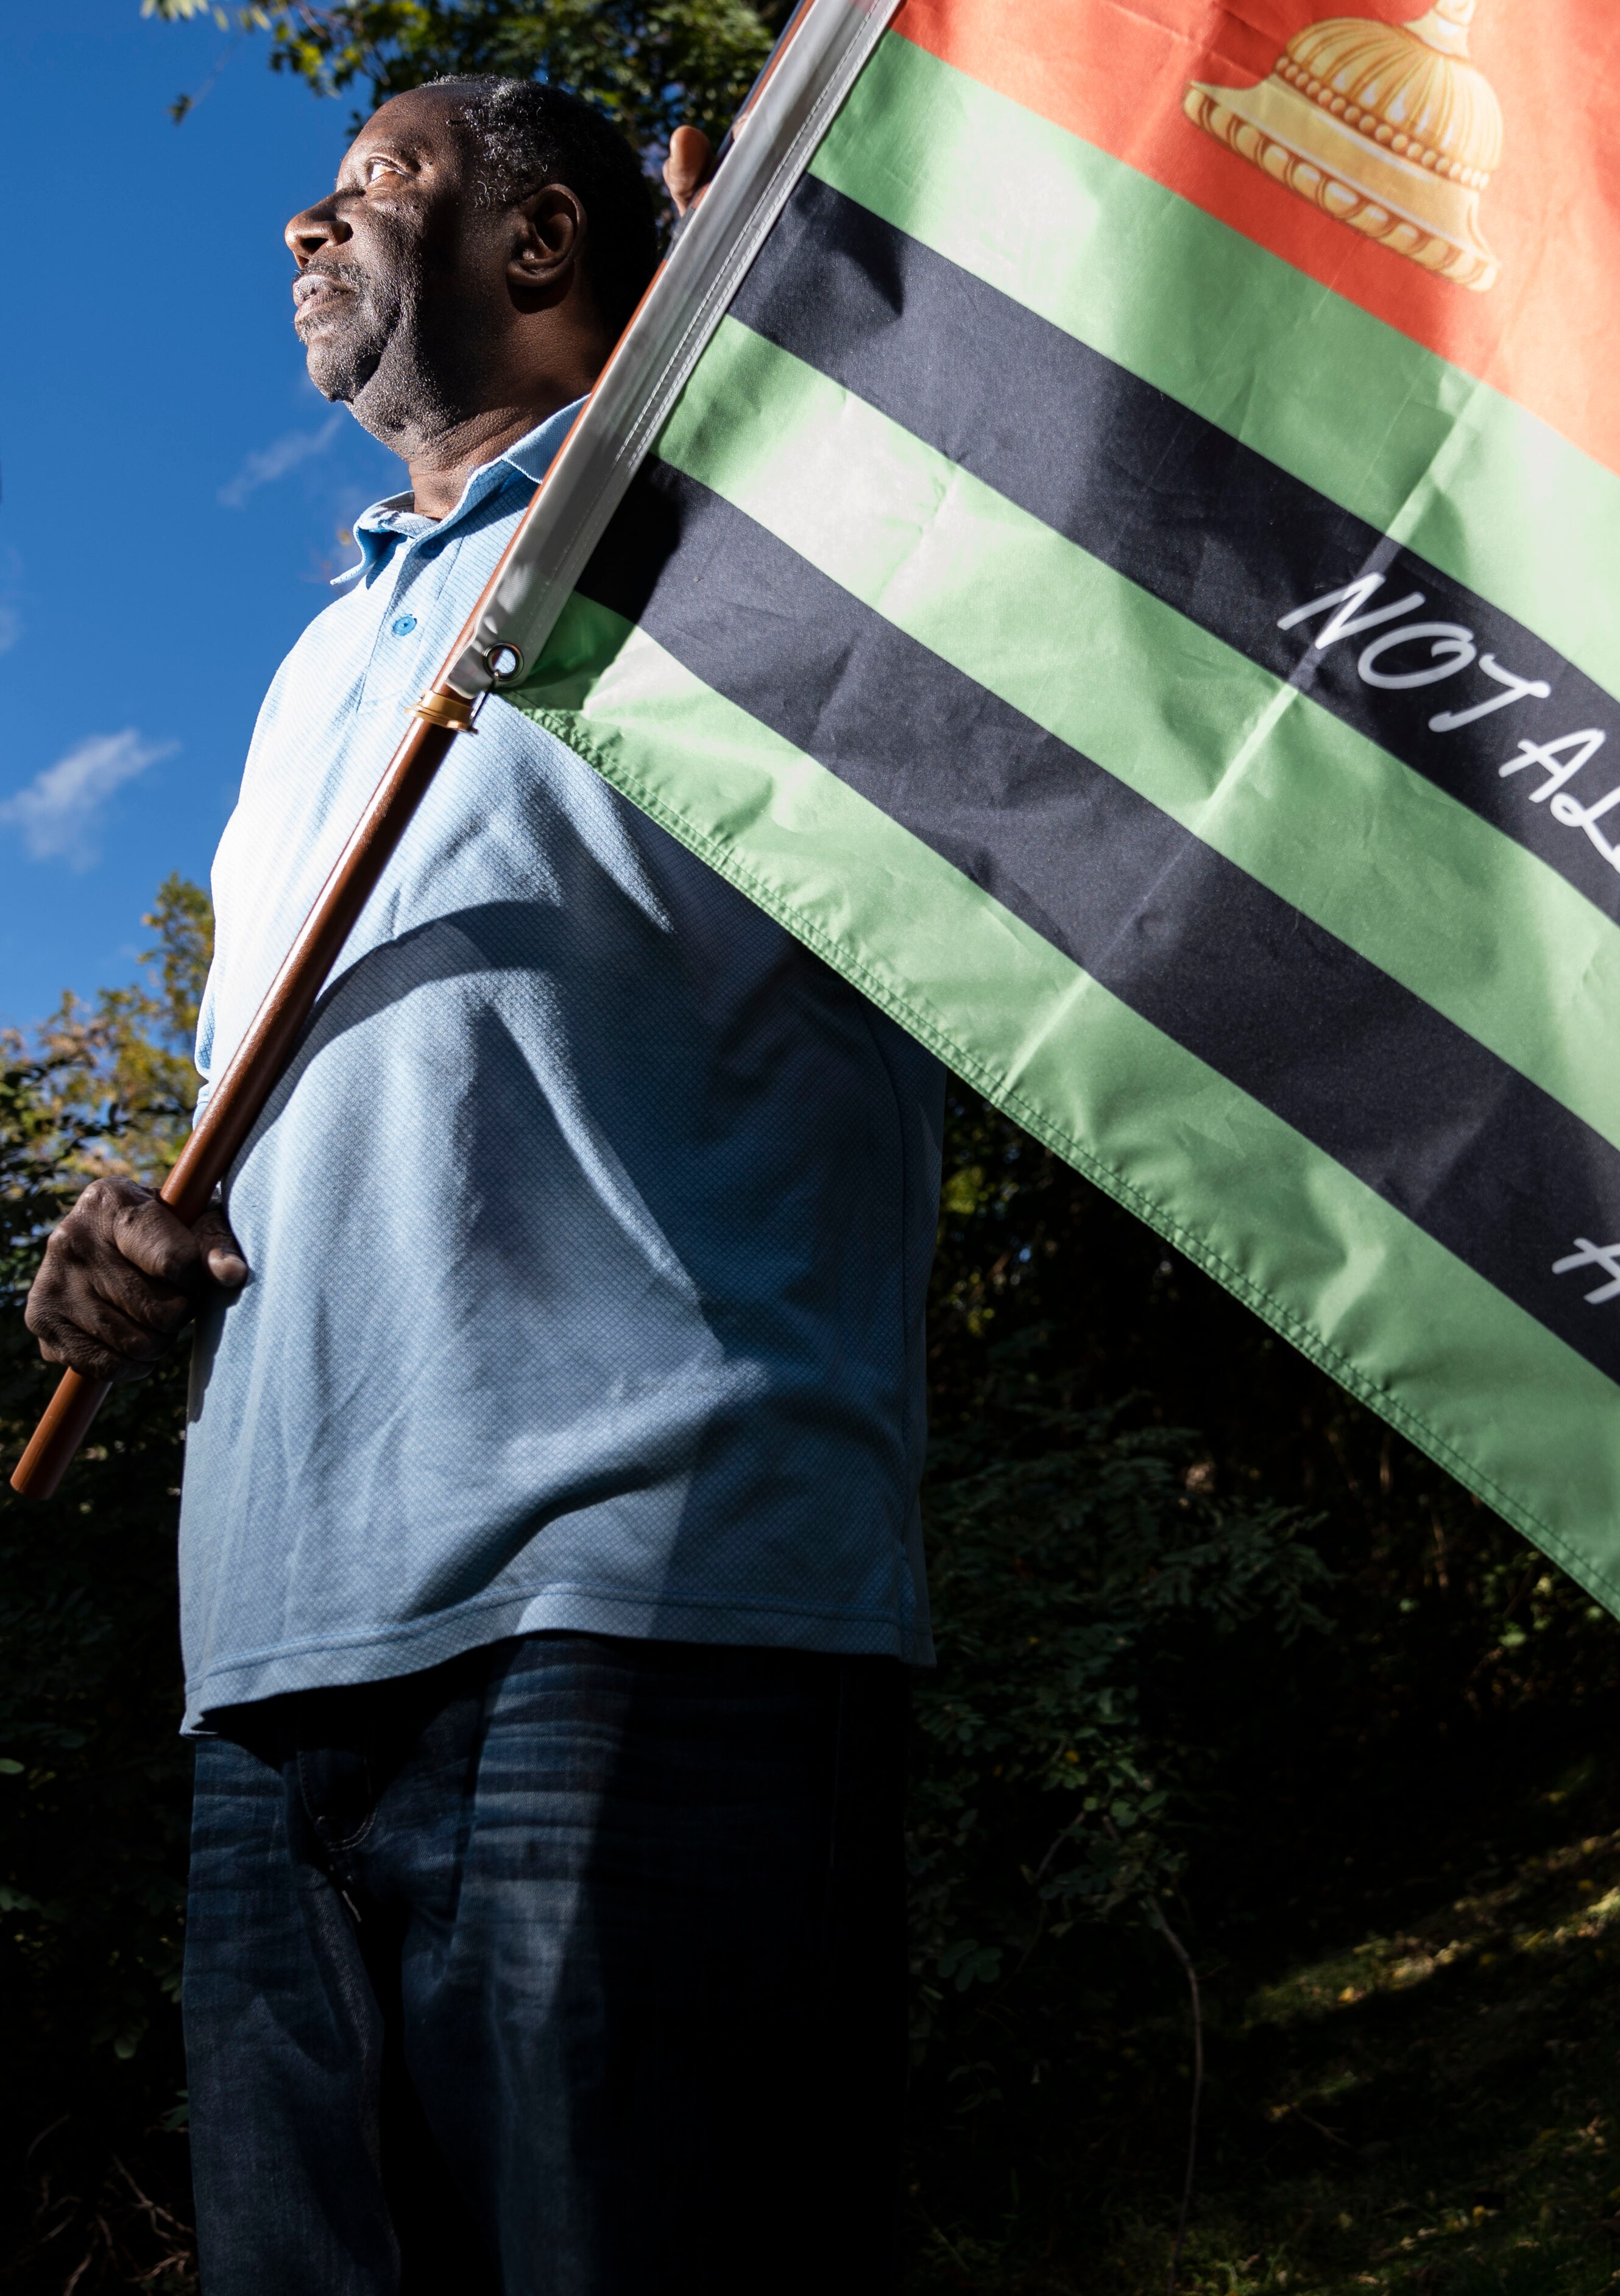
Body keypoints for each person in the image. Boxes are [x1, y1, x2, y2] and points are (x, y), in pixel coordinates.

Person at [20, 76, 944, 2292]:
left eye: (374, 183)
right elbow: (307, 1115)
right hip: (267, 1672)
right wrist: (120, 1240)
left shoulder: (755, 514)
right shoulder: (314, 664)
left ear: (540, 249)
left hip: (639, 1613)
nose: (298, 224)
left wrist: (796, 370)